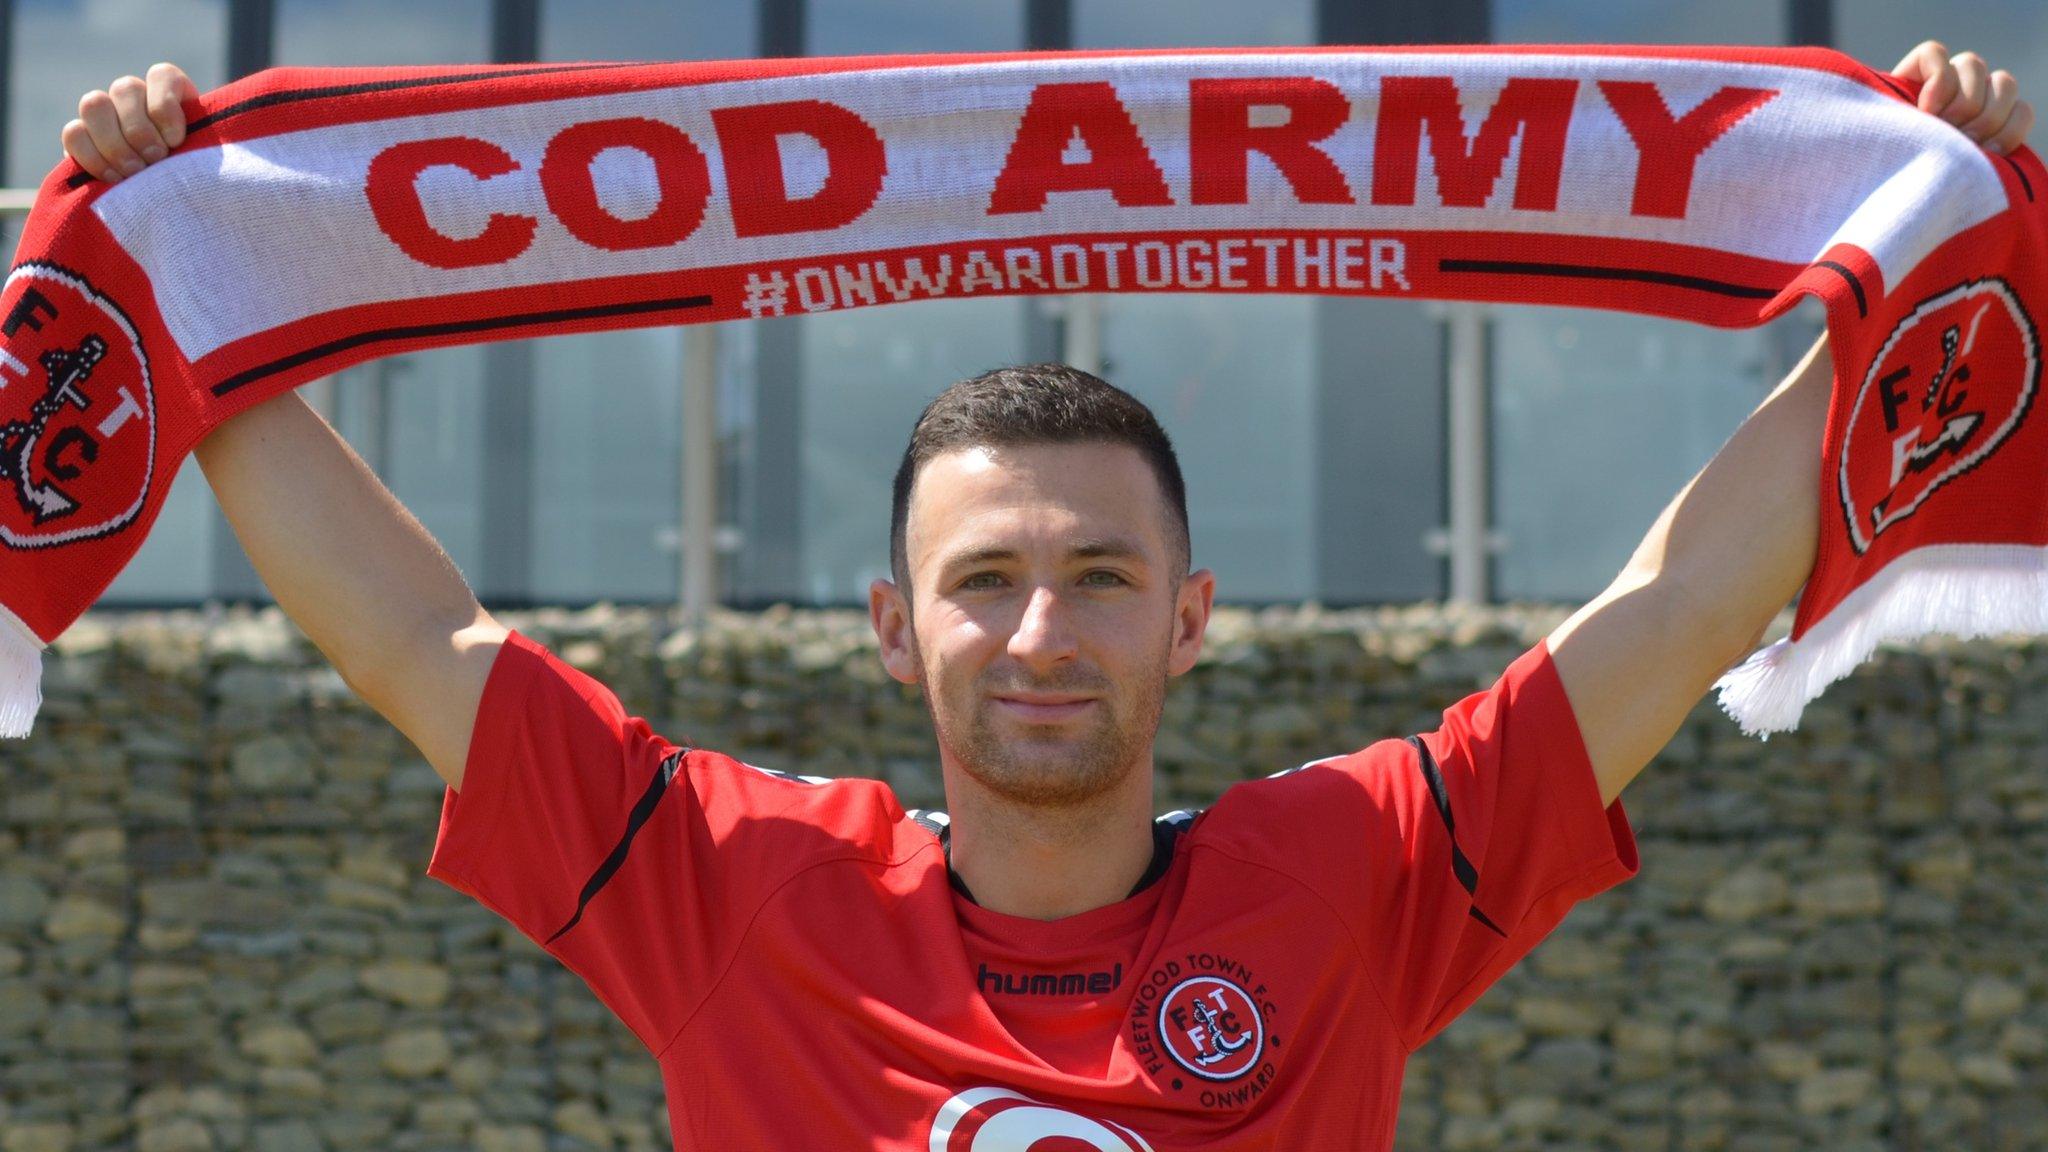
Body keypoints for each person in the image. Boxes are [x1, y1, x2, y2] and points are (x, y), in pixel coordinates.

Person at [60, 41, 2034, 1150]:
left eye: (1099, 575)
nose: (1039, 630)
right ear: (890, 629)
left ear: (1189, 617)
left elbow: (1682, 602)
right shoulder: (738, 892)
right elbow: (418, 641)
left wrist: (1919, 248)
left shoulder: (1344, 875)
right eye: (983, 581)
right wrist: (193, 286)